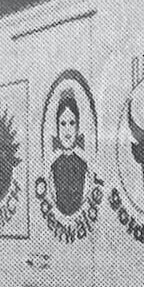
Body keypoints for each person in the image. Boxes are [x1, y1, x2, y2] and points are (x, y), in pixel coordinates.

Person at [50, 89, 87, 217]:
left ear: (77, 128)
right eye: (63, 123)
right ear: (57, 128)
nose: (67, 130)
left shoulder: (83, 165)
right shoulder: (54, 166)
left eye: (72, 123)